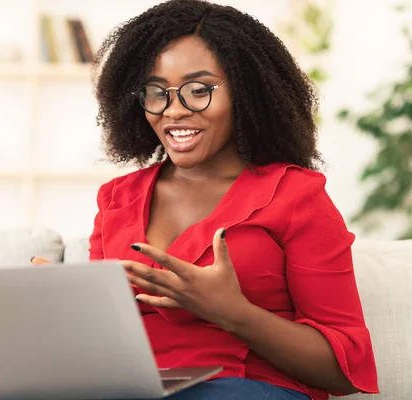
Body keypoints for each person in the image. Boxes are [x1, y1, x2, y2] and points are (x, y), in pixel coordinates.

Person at [32, 1, 379, 399]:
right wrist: (61, 307)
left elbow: (345, 372)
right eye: (156, 92)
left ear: (247, 93)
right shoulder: (118, 198)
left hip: (244, 389)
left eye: (199, 90)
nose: (174, 111)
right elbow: (106, 339)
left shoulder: (295, 195)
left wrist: (231, 312)